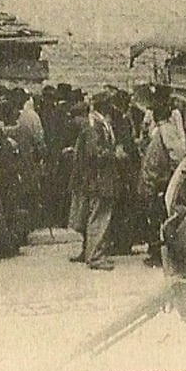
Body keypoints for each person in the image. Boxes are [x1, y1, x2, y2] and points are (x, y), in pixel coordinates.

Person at [70, 93, 126, 270]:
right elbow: (94, 154)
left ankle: (97, 253)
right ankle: (95, 256)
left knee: (100, 216)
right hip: (99, 178)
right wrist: (114, 154)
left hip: (100, 178)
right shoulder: (94, 125)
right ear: (106, 106)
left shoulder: (98, 123)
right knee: (98, 217)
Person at [138, 86, 186, 266]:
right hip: (155, 180)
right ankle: (156, 251)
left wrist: (173, 177)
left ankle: (162, 253)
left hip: (161, 181)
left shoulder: (166, 130)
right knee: (155, 216)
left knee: (160, 217)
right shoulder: (161, 130)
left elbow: (177, 154)